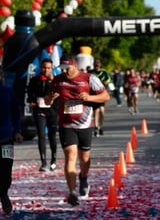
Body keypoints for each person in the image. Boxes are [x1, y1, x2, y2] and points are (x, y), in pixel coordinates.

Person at [45, 54, 110, 206]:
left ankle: (84, 178)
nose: (65, 72)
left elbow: (105, 96)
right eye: (62, 69)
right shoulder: (57, 80)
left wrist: (89, 97)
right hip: (66, 124)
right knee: (70, 156)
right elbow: (47, 100)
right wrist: (51, 98)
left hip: (85, 124)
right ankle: (72, 192)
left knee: (85, 158)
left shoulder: (89, 78)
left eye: (67, 68)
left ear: (75, 65)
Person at [27, 58, 58, 171]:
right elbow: (29, 93)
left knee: (52, 136)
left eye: (49, 68)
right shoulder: (35, 80)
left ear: (52, 68)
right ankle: (43, 162)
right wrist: (32, 100)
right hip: (39, 110)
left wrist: (53, 82)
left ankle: (53, 161)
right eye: (44, 67)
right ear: (40, 68)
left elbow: (61, 93)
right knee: (41, 135)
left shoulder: (56, 80)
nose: (46, 70)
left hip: (52, 111)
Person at [0, 74, 24, 214]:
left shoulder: (8, 91)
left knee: (5, 172)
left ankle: (3, 193)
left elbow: (16, 112)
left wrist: (18, 131)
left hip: (6, 139)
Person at [89, 59, 112, 137]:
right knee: (96, 111)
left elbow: (109, 79)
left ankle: (101, 126)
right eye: (96, 65)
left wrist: (107, 82)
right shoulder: (91, 72)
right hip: (93, 94)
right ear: (94, 65)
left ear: (101, 65)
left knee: (102, 111)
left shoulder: (104, 72)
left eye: (98, 65)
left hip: (102, 93)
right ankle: (96, 127)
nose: (97, 66)